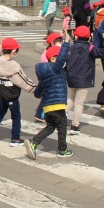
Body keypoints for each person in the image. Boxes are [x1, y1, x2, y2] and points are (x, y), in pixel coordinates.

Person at [0, 37, 37, 147]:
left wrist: (2, 45)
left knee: (0, 113)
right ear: (14, 51)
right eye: (17, 51)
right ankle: (15, 139)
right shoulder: (13, 66)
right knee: (16, 116)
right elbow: (23, 81)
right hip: (11, 96)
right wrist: (36, 89)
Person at [25, 30, 72, 160]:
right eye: (58, 58)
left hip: (47, 107)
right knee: (62, 127)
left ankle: (34, 143)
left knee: (51, 127)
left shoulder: (44, 74)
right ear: (52, 59)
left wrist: (41, 93)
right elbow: (62, 57)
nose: (62, 61)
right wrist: (66, 42)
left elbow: (37, 93)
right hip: (57, 105)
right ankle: (62, 150)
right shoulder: (55, 69)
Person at [66, 26, 104, 135]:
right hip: (84, 78)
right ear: (89, 37)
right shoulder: (90, 48)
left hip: (71, 76)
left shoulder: (72, 47)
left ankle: (60, 117)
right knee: (79, 103)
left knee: (71, 98)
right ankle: (75, 126)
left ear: (76, 36)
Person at [34, 32, 63, 122]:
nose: (61, 43)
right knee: (46, 98)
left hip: (52, 79)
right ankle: (40, 115)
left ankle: (43, 114)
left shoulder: (54, 52)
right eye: (59, 41)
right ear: (52, 43)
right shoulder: (47, 54)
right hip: (48, 80)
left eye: (61, 41)